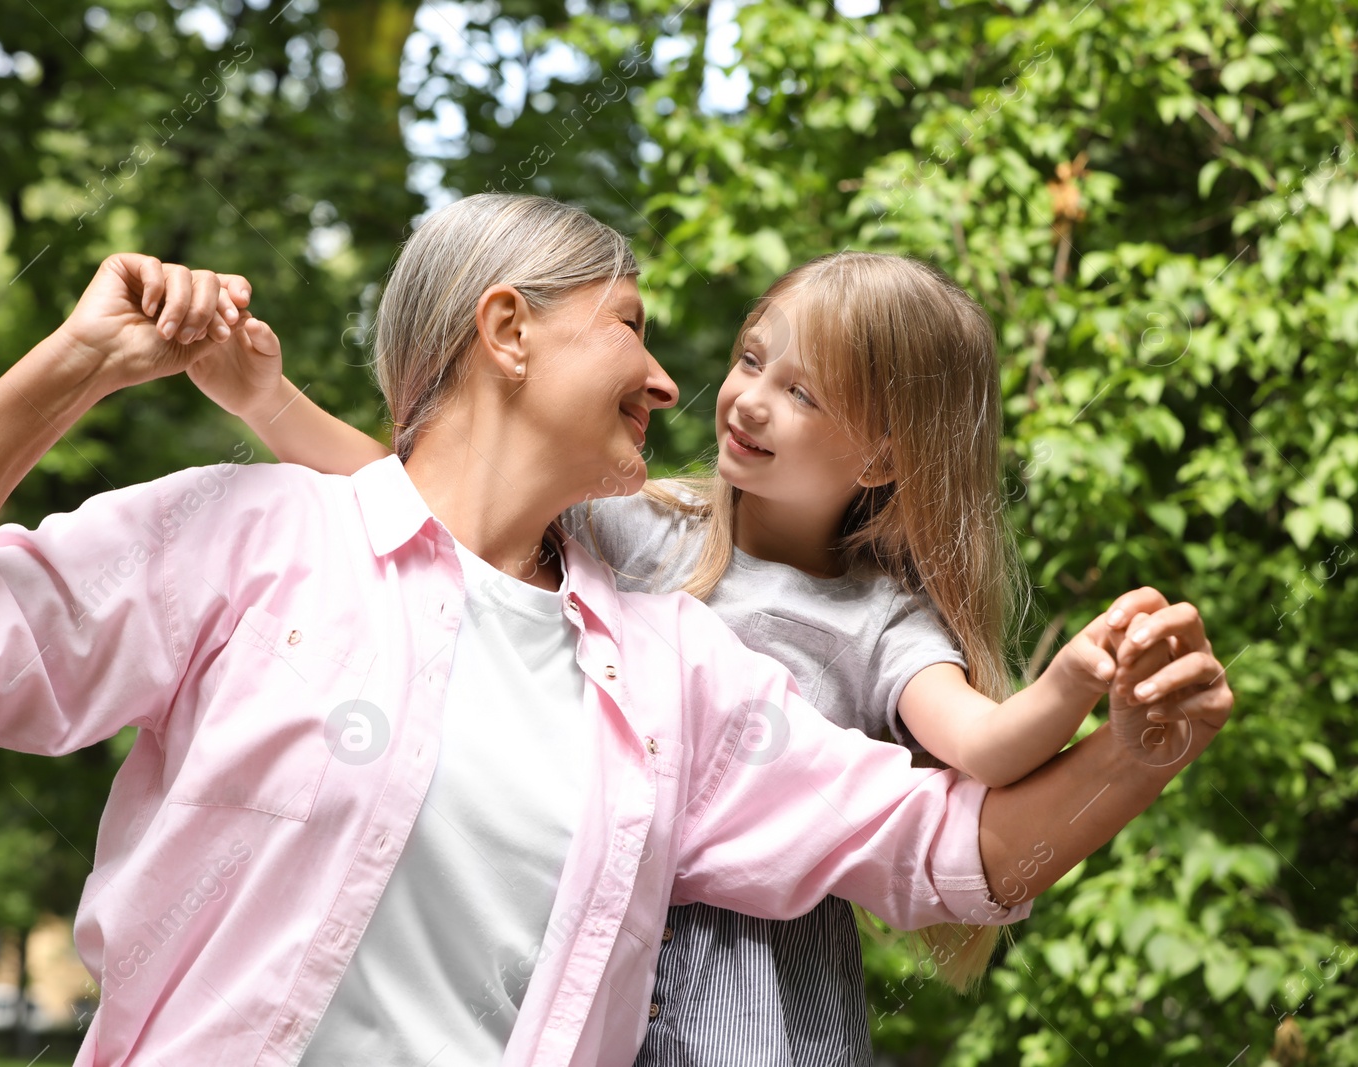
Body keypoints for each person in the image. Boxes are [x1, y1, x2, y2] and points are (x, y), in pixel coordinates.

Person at [0, 194, 1232, 1067]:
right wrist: (73, 366)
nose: (674, 380)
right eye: (636, 326)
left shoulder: (677, 671)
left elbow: (946, 852)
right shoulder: (253, 537)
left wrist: (1134, 757)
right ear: (509, 329)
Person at [200, 248, 1169, 1065]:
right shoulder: (637, 520)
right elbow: (416, 501)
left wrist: (1074, 679)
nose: (747, 399)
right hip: (576, 943)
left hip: (752, 993)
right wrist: (266, 399)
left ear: (878, 457)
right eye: (751, 359)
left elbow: (986, 748)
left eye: (801, 393)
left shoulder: (877, 618)